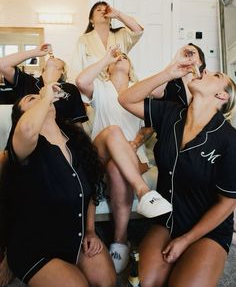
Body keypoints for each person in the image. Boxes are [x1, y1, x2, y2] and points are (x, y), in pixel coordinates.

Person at [119, 57, 236, 287]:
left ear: (222, 96)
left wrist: (186, 240)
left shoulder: (229, 141)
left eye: (216, 75)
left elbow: (227, 203)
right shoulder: (171, 114)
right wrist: (168, 73)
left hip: (207, 231)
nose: (207, 70)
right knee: (144, 282)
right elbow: (125, 99)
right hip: (168, 219)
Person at [0, 83, 116, 287]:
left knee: (106, 282)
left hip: (75, 237)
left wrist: (90, 230)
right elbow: (28, 128)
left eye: (39, 97)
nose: (39, 98)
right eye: (31, 99)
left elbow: (88, 192)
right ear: (21, 116)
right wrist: (44, 97)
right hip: (34, 245)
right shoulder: (23, 146)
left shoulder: (77, 143)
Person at [76, 46, 172, 273]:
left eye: (125, 57)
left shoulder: (139, 90)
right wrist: (106, 57)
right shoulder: (100, 87)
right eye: (115, 58)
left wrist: (138, 141)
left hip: (130, 156)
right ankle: (143, 191)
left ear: (131, 69)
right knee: (113, 131)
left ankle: (120, 241)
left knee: (117, 169)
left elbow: (151, 123)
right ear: (108, 68)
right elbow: (81, 81)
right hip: (99, 152)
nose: (120, 58)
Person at [0, 44, 88, 127]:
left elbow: (77, 123)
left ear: (62, 71)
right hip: (28, 134)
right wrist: (34, 52)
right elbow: (3, 64)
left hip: (59, 137)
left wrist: (82, 142)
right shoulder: (27, 81)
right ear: (44, 68)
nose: (54, 58)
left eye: (58, 59)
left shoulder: (71, 88)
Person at [70, 1, 143, 82]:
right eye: (99, 10)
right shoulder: (83, 40)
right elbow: (75, 69)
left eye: (105, 10)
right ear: (91, 19)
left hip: (121, 84)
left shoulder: (121, 34)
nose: (103, 11)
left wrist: (118, 14)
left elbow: (138, 30)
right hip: (95, 89)